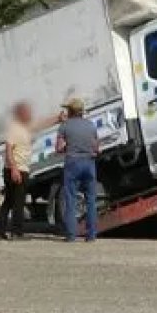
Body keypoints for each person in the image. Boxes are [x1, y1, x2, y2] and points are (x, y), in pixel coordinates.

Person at [56, 97, 100, 243]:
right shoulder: (91, 125)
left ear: (70, 111)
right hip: (89, 162)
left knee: (71, 199)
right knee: (91, 200)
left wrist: (68, 148)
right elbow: (96, 149)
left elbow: (58, 148)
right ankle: (91, 235)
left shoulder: (64, 126)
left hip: (73, 162)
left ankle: (71, 235)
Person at [0, 102, 34, 241]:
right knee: (18, 202)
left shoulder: (23, 128)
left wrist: (56, 119)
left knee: (9, 201)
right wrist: (14, 169)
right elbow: (8, 149)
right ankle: (17, 232)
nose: (30, 114)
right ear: (20, 114)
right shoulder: (14, 129)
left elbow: (41, 123)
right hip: (17, 169)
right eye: (27, 112)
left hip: (17, 169)